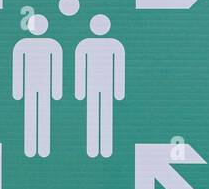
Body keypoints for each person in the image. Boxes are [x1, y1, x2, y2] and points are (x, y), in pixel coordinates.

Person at [74, 14, 126, 158]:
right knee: (93, 116)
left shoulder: (115, 45)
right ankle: (92, 148)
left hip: (106, 86)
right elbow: (80, 68)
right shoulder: (84, 45)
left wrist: (119, 90)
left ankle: (105, 148)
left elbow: (119, 69)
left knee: (105, 115)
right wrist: (80, 90)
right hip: (92, 86)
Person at [12, 13, 63, 157]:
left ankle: (42, 148)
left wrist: (57, 90)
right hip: (32, 86)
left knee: (41, 115)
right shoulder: (22, 45)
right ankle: (31, 148)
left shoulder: (53, 45)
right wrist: (17, 90)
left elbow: (56, 68)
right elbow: (18, 69)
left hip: (43, 86)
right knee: (33, 115)